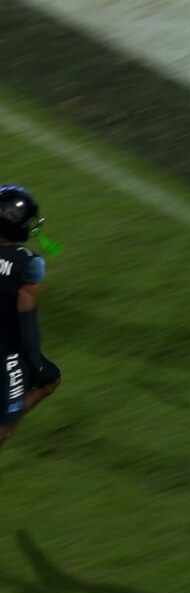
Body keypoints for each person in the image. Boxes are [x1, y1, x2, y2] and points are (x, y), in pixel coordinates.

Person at [0, 185, 61, 450]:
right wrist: (35, 362)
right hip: (6, 351)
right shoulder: (28, 264)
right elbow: (27, 324)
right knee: (49, 380)